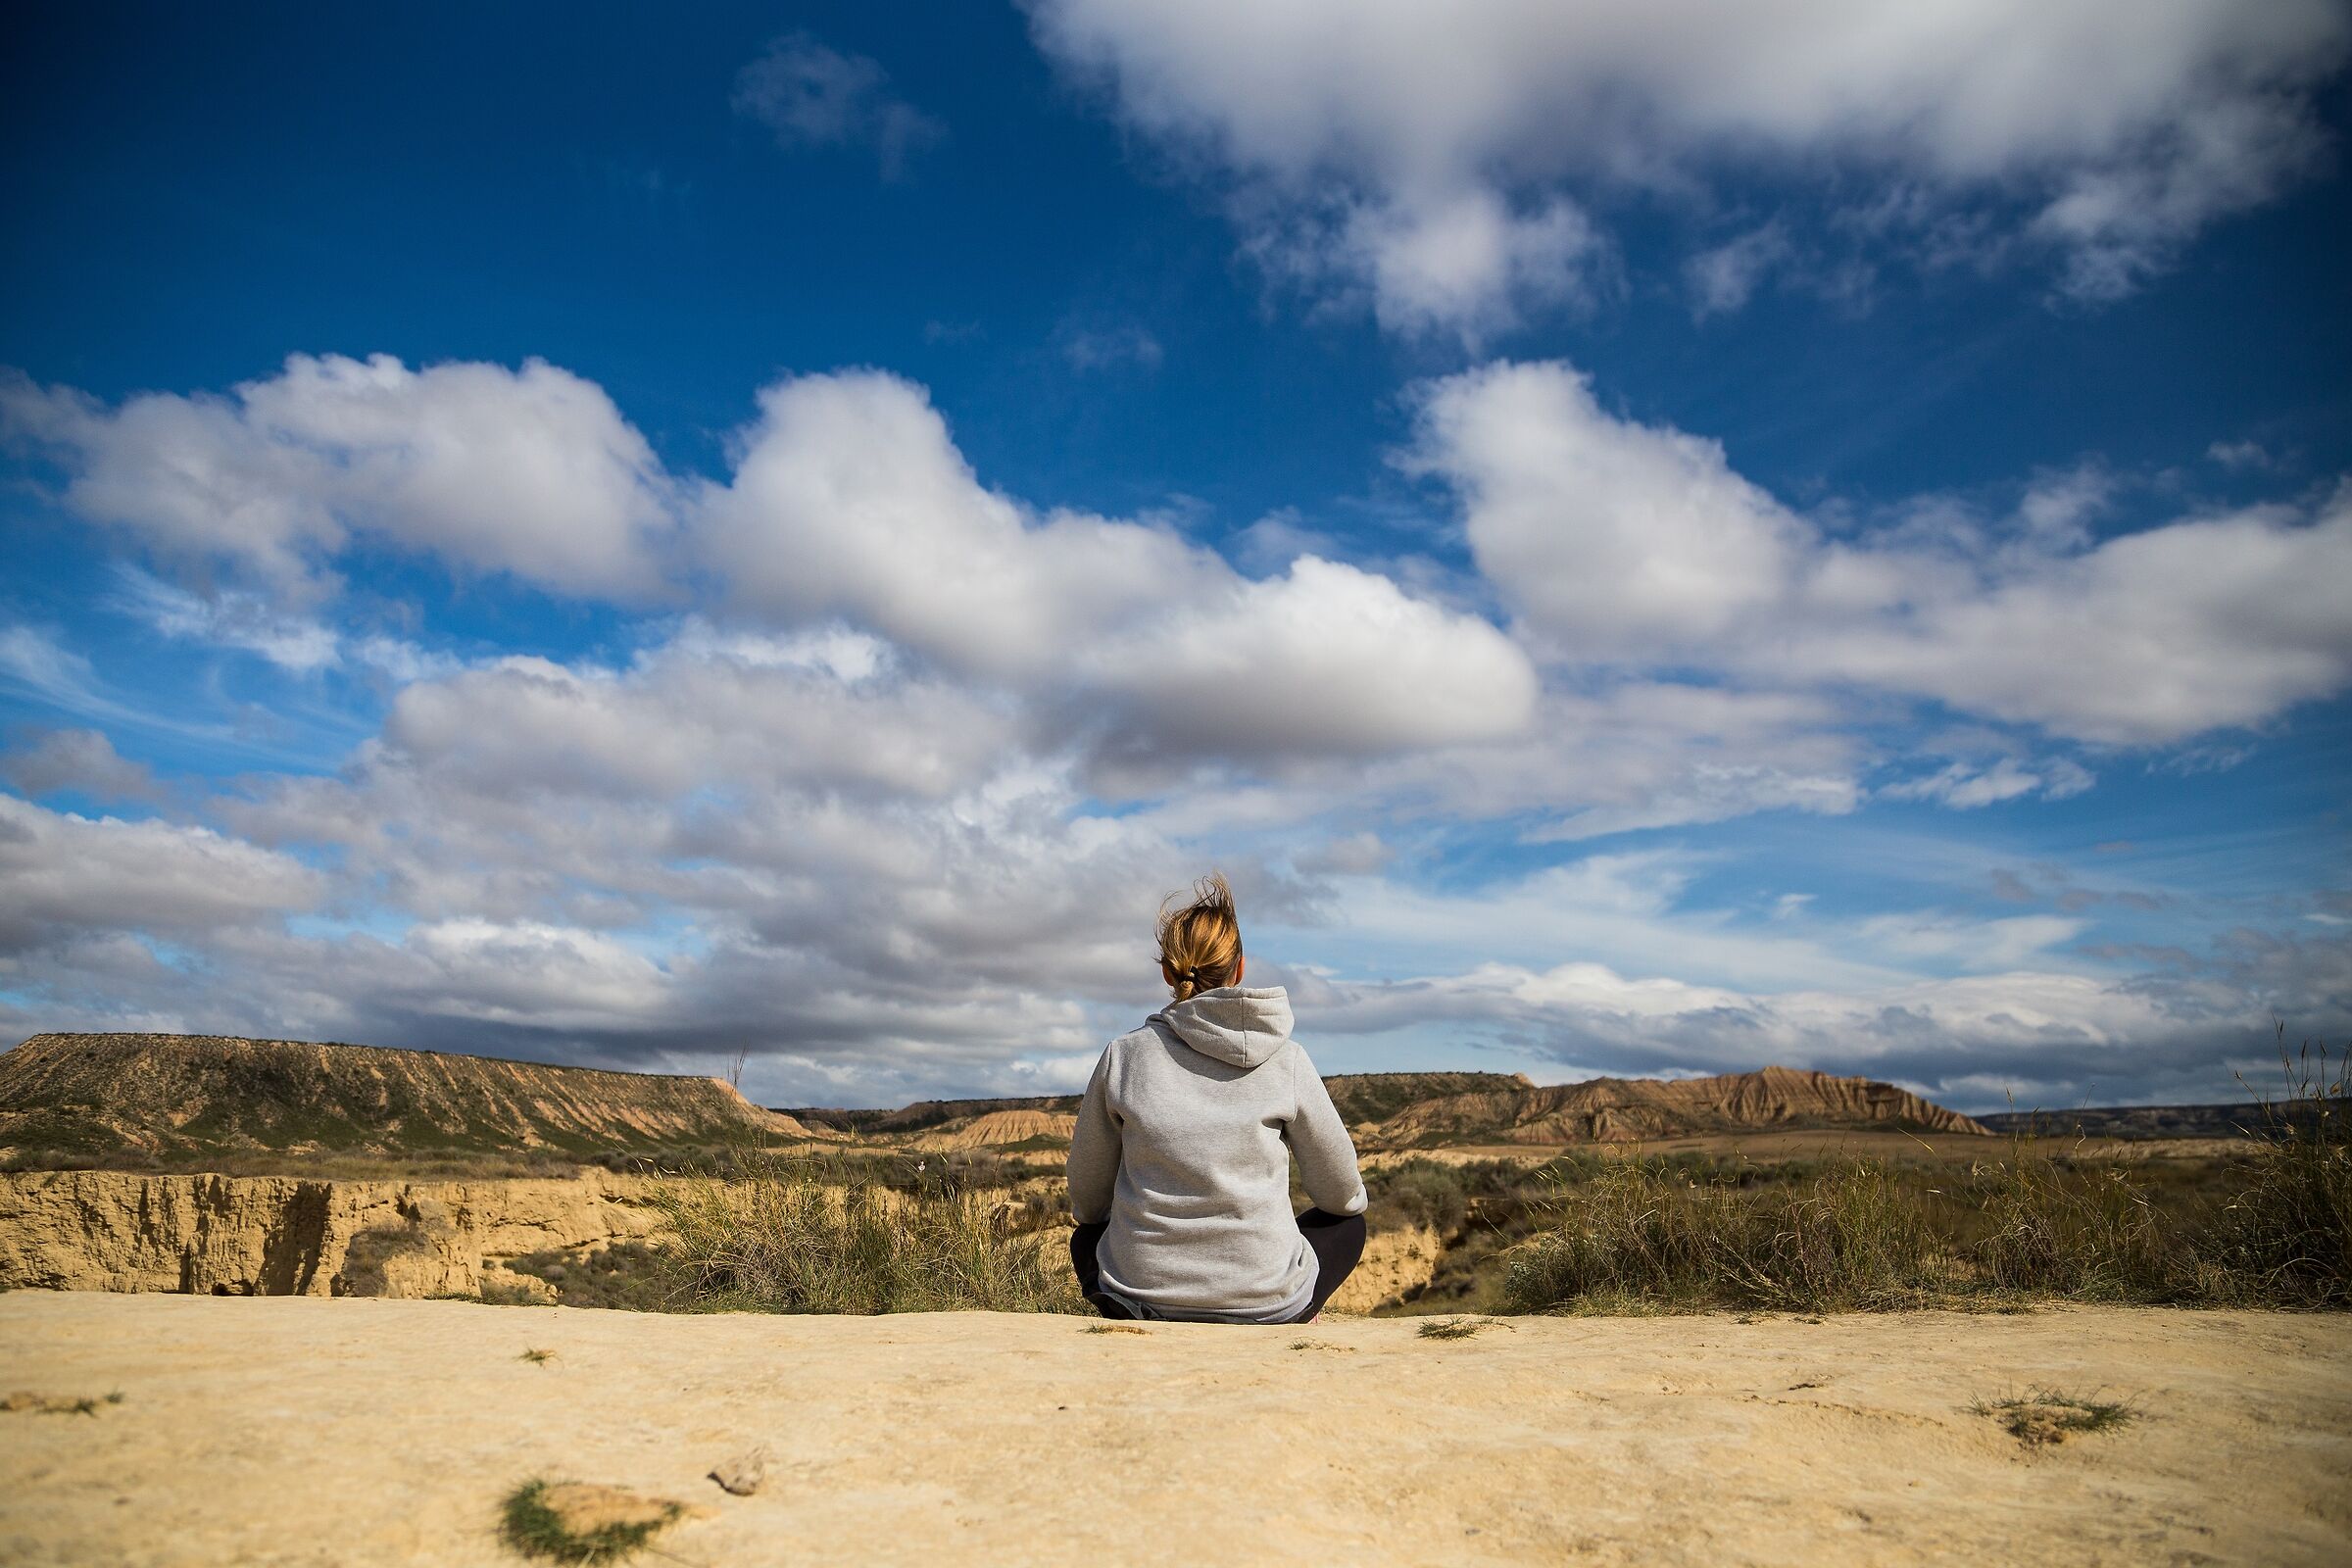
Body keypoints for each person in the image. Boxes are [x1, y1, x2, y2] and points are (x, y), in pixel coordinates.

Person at [1066, 873, 1366, 1323]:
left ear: (1167, 971)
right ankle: (1289, 1310)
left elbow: (1087, 1199)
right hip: (1263, 1301)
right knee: (1350, 1227)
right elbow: (1341, 1197)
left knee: (1085, 1235)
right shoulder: (1288, 1061)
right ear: (1239, 967)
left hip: (1141, 1296)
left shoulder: (1123, 1057)